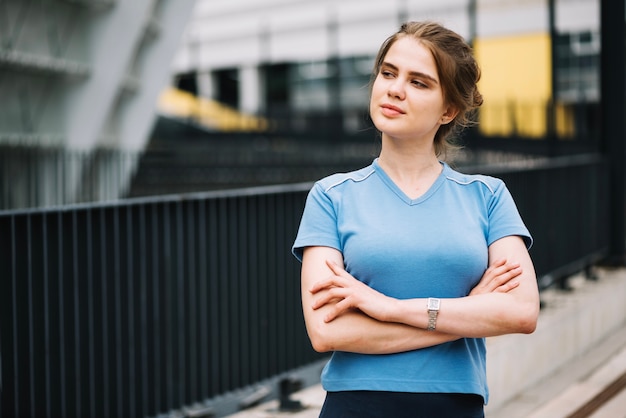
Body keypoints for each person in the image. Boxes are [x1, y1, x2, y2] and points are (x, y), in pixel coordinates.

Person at [291, 21, 540, 417]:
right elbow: (327, 331)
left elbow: (522, 312)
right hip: (356, 405)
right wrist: (468, 312)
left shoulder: (487, 196)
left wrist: (385, 307)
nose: (394, 88)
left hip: (455, 406)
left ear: (449, 109)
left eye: (419, 82)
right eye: (388, 73)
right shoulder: (331, 197)